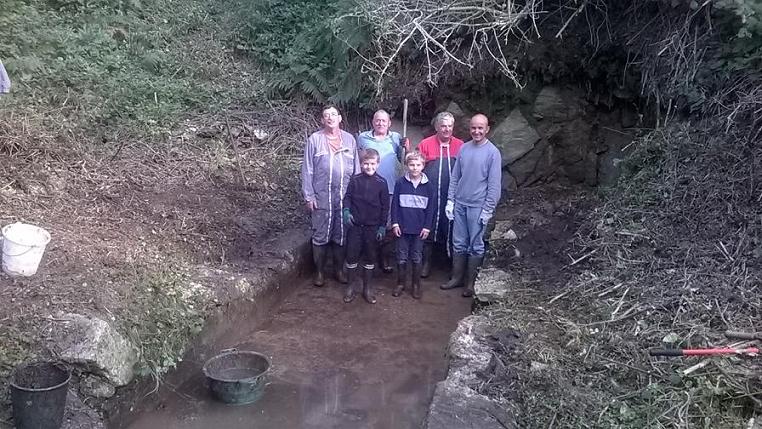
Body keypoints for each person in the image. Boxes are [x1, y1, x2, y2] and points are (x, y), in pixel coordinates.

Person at [441, 114, 502, 297]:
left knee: (476, 244)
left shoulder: (493, 153)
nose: (476, 131)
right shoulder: (464, 149)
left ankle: (470, 283)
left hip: (478, 206)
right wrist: (450, 200)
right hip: (460, 203)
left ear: (487, 129)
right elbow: (455, 176)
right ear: (470, 129)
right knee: (458, 242)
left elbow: (494, 185)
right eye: (473, 128)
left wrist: (488, 209)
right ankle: (456, 278)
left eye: (480, 128)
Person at [301, 105, 360, 287]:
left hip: (344, 198)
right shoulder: (315, 140)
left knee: (341, 234)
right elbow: (307, 170)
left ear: (340, 118)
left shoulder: (350, 140)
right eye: (326, 115)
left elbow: (356, 170)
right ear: (322, 120)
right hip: (321, 197)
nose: (330, 118)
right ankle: (319, 272)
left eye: (333, 114)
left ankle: (339, 270)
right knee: (321, 234)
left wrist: (356, 197)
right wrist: (309, 196)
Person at [356, 110, 408, 273]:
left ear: (389, 123)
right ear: (373, 121)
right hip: (367, 189)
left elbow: (403, 159)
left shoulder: (396, 138)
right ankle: (367, 256)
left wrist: (406, 147)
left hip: (389, 188)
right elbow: (357, 160)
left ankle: (384, 258)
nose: (380, 124)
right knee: (368, 222)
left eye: (383, 121)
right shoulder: (362, 138)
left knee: (386, 224)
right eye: (377, 120)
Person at [416, 111, 465, 277]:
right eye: (443, 126)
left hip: (452, 195)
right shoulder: (425, 144)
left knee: (451, 226)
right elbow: (415, 166)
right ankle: (426, 263)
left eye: (449, 126)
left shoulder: (460, 145)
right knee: (428, 224)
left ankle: (450, 264)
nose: (446, 129)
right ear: (436, 127)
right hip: (430, 194)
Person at [342, 149, 389, 304]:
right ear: (361, 164)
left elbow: (385, 207)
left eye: (372, 164)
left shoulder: (382, 183)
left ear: (378, 164)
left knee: (370, 257)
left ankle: (367, 288)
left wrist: (382, 226)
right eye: (366, 164)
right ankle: (350, 286)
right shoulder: (355, 180)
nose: (369, 167)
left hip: (372, 227)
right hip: (355, 226)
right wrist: (347, 211)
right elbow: (347, 197)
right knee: (352, 255)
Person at [390, 151, 434, 299]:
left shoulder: (428, 186)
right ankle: (400, 283)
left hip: (419, 229)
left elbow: (431, 209)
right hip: (402, 227)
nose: (415, 168)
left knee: (416, 256)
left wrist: (427, 227)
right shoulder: (400, 183)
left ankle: (416, 285)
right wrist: (395, 223)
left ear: (423, 165)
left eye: (418, 165)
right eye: (412, 165)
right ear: (407, 165)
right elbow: (394, 205)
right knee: (401, 256)